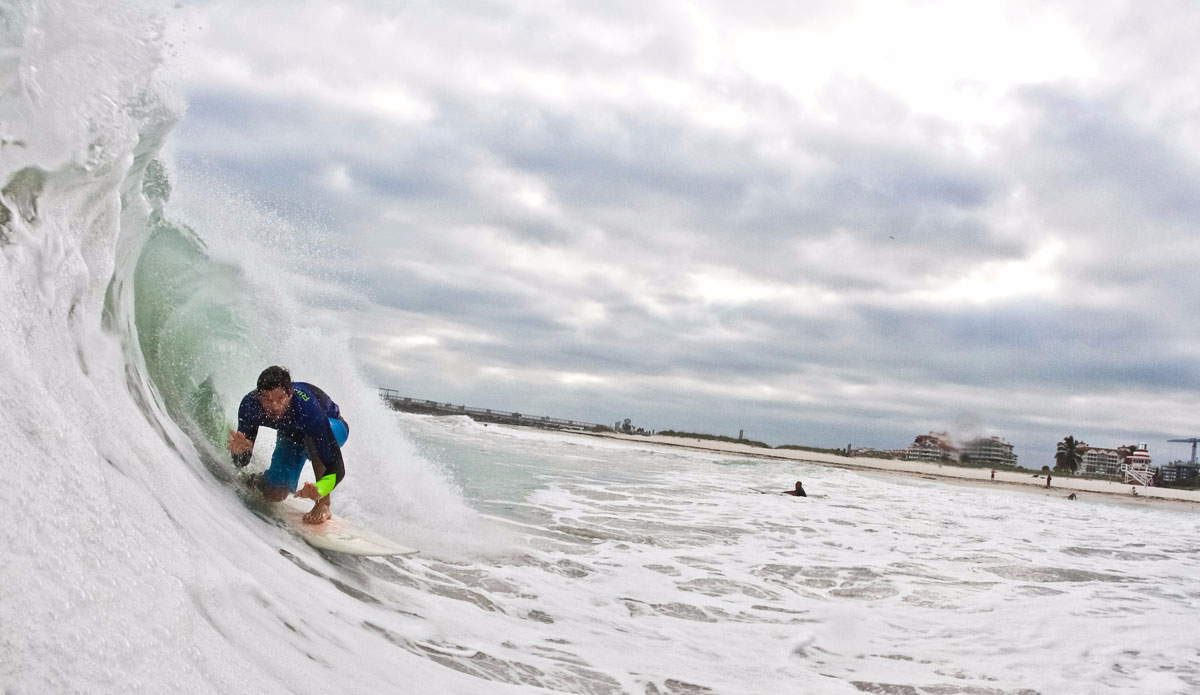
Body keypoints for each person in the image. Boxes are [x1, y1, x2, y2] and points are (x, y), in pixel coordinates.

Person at [227, 366, 349, 524]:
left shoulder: (307, 408)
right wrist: (239, 453)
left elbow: (337, 467)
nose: (275, 406)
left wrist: (321, 488)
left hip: (332, 426)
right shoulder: (250, 406)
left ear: (290, 394)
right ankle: (253, 480)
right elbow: (242, 462)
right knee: (277, 493)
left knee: (313, 441)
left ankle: (323, 504)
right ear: (258, 396)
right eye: (268, 400)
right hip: (291, 434)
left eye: (280, 399)